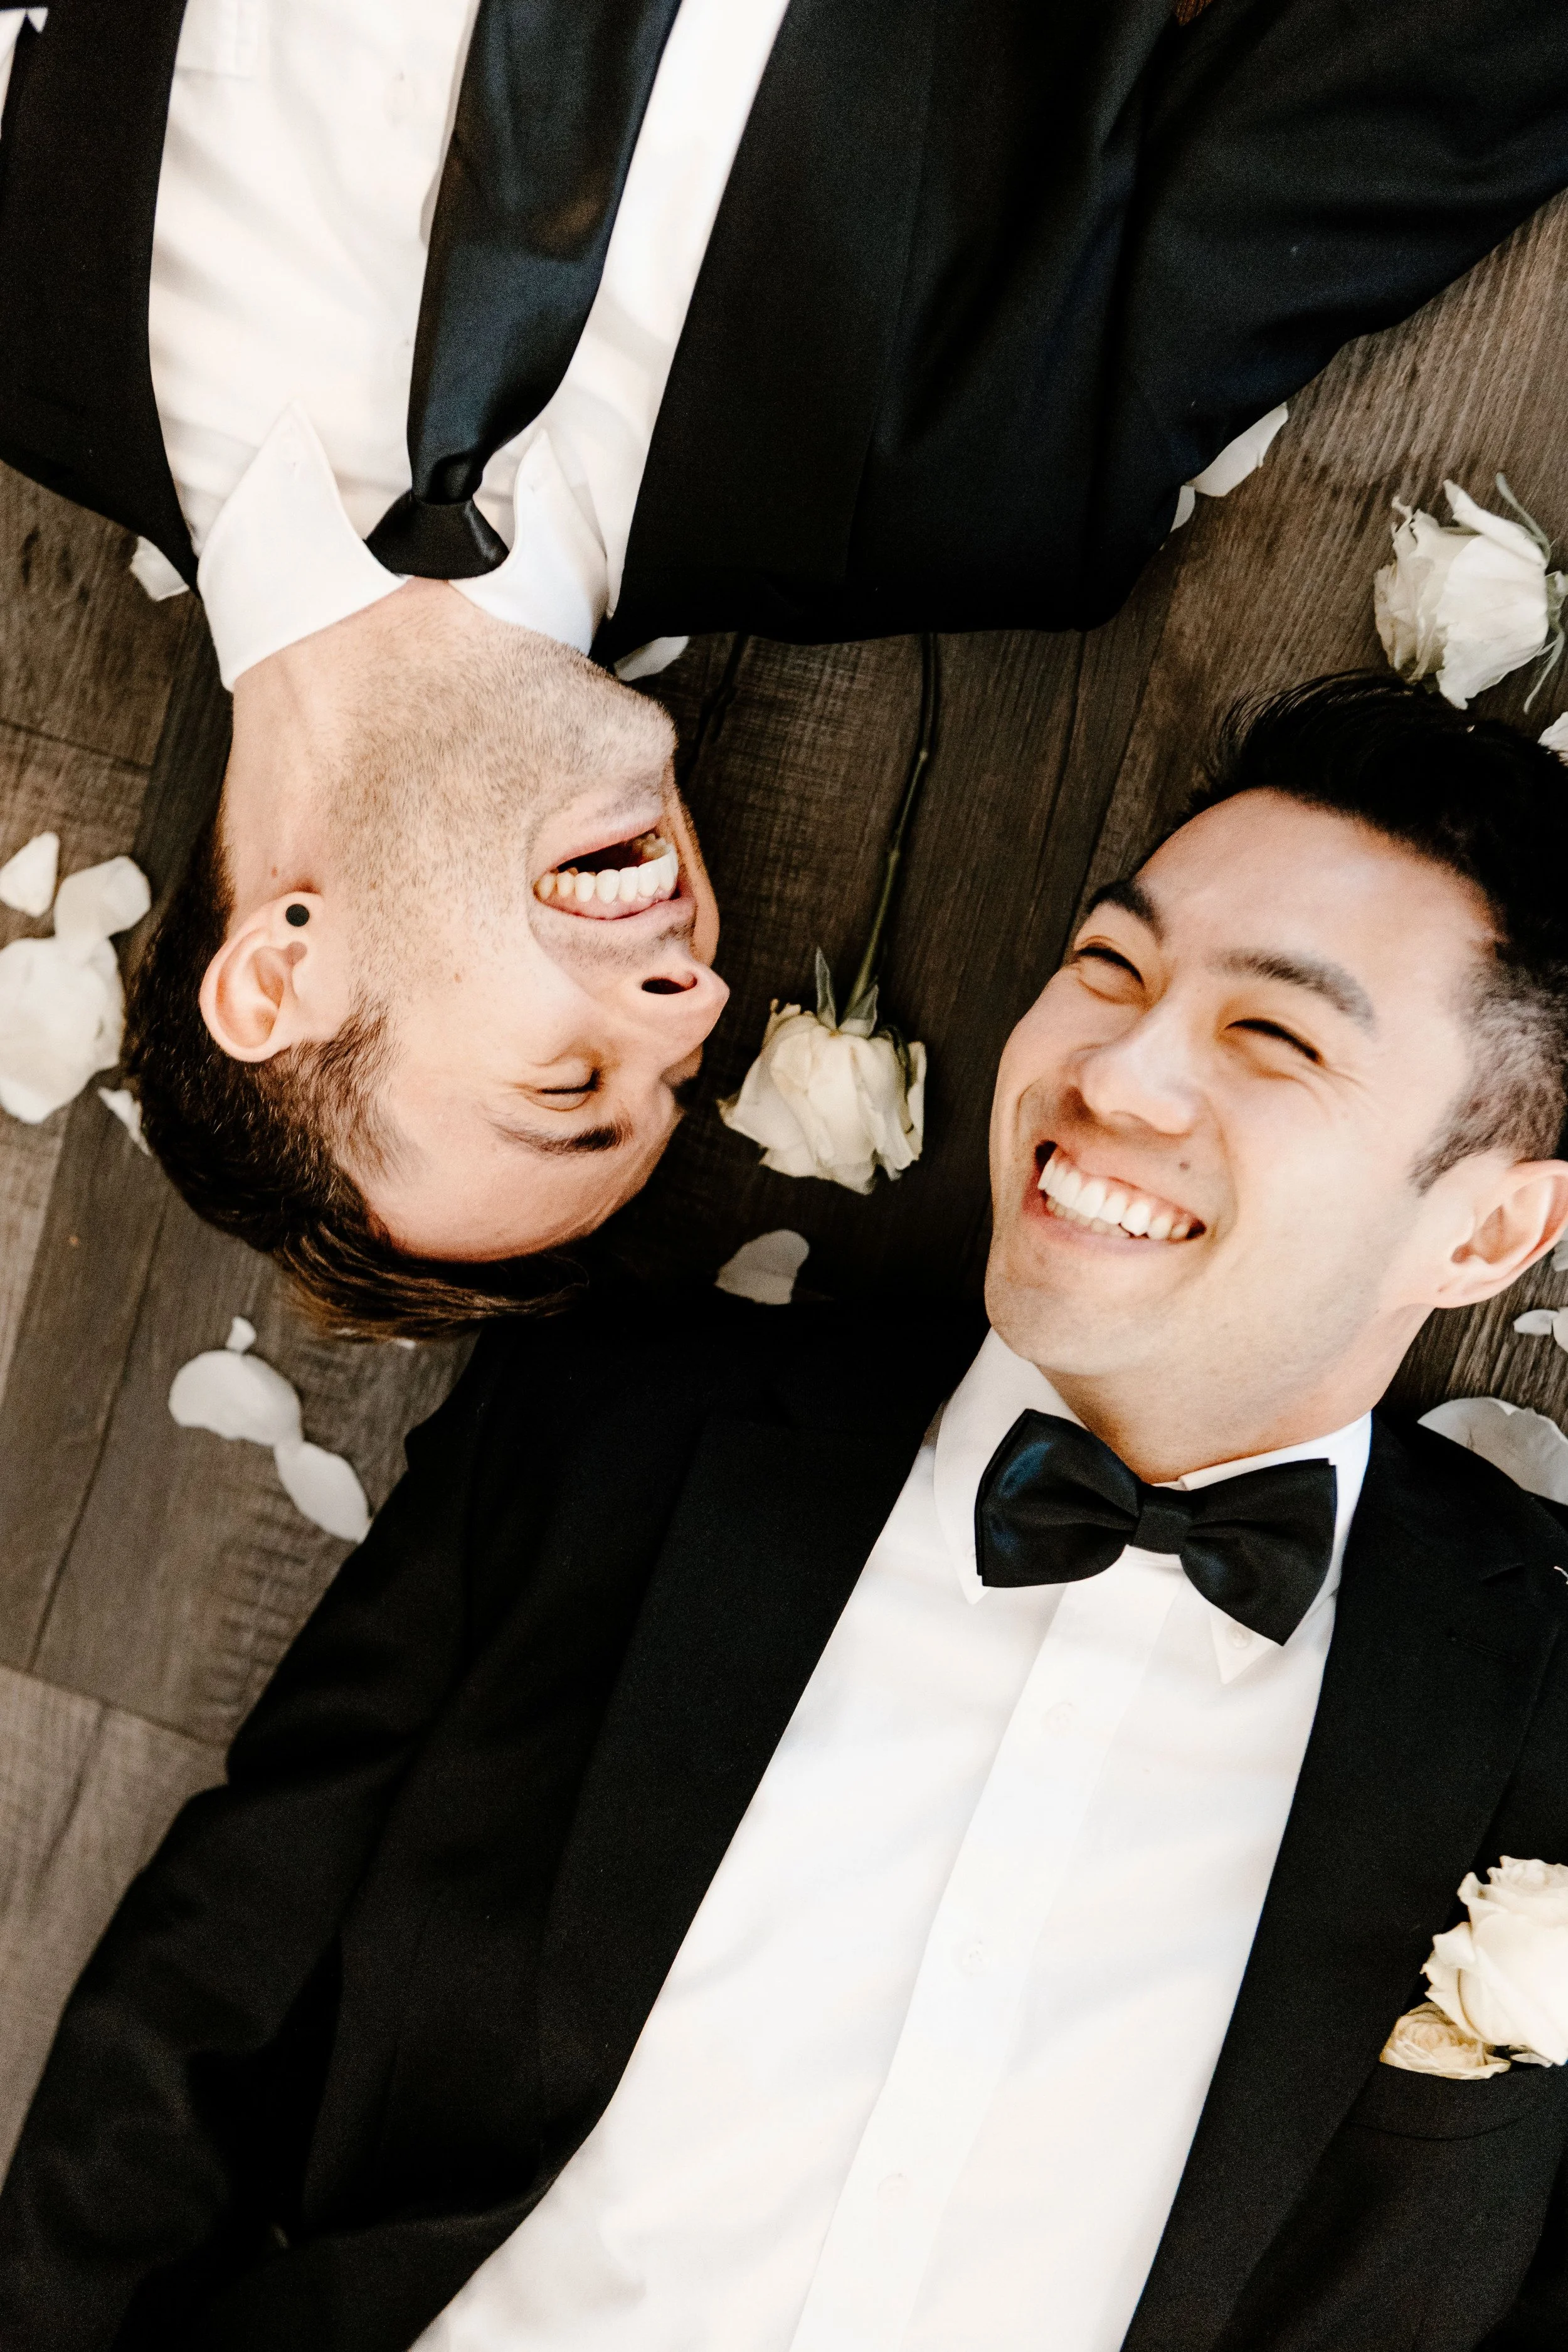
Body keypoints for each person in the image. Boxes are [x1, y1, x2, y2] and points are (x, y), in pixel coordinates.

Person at [6, 674, 1568, 2349]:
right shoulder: (613, 1433)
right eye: (1107, 967)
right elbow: (198, 2006)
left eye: (1272, 1037)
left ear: (1485, 1232)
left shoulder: (1536, 1702)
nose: (1114, 1068)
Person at [3, 0, 1568, 1331]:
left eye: (567, 1087)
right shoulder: (990, 479)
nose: (692, 1001)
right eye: (677, 1074)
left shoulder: (29, 290)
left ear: (280, 976)